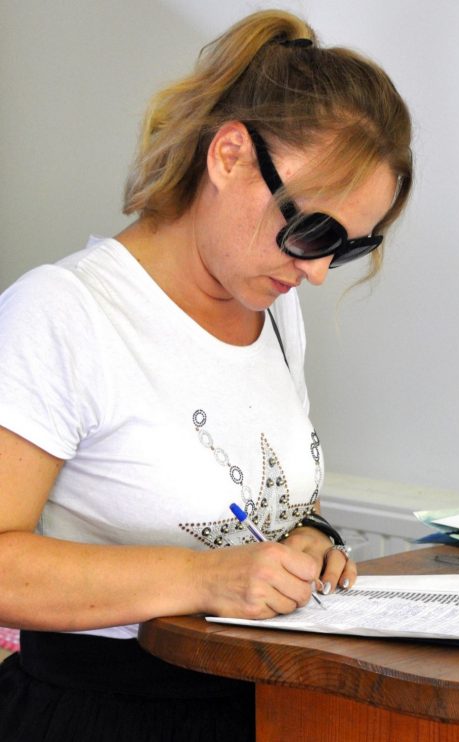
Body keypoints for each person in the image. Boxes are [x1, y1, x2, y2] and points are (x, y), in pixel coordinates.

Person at [0, 8, 412, 741]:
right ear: (229, 157)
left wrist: (308, 540)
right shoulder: (64, 312)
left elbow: (250, 498)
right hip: (105, 714)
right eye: (311, 230)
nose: (318, 271)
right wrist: (205, 580)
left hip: (266, 702)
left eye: (346, 247)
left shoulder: (273, 310)